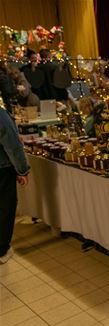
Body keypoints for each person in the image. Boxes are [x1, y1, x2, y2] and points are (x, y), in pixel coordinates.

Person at [0, 107, 30, 263]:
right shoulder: (1, 116)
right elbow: (12, 145)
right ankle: (2, 250)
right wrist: (22, 170)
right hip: (2, 169)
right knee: (6, 206)